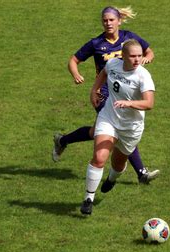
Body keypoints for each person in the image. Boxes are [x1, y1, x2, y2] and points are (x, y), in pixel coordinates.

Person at [52, 6, 159, 184]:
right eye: (105, 20)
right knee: (122, 128)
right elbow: (73, 60)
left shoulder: (129, 38)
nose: (108, 23)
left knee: (97, 132)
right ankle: (141, 173)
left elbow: (149, 51)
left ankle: (63, 140)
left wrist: (147, 58)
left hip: (125, 91)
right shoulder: (96, 43)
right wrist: (76, 74)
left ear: (119, 21)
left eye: (111, 20)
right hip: (104, 93)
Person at [80, 39, 155, 215]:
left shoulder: (143, 76)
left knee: (118, 163)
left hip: (131, 127)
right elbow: (103, 73)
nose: (137, 60)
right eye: (133, 56)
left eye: (139, 56)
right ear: (123, 55)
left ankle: (112, 179)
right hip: (109, 118)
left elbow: (149, 103)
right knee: (99, 157)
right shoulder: (113, 63)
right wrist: (94, 90)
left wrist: (128, 103)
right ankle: (88, 199)